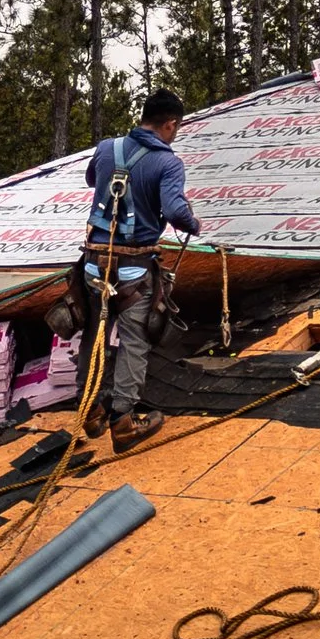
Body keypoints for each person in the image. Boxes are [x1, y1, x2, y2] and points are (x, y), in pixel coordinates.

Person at [80, 89, 201, 449]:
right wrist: (193, 224)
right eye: (175, 128)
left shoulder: (107, 148)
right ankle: (123, 421)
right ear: (169, 124)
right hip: (133, 269)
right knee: (134, 341)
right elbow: (176, 212)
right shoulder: (168, 163)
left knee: (96, 336)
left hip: (93, 266)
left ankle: (95, 408)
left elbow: (92, 180)